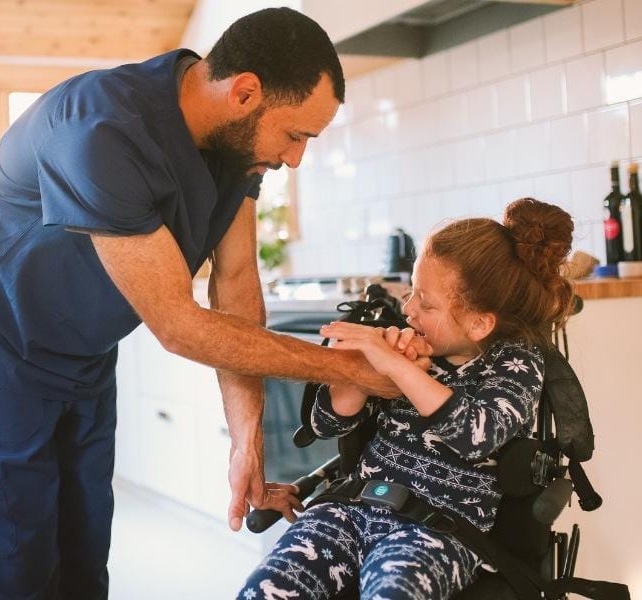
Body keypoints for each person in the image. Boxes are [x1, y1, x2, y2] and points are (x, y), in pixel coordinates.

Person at [0, 7, 431, 599]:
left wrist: (248, 441)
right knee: (25, 565)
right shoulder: (102, 129)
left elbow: (236, 284)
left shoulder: (234, 146)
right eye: (296, 135)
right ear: (245, 92)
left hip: (84, 350)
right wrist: (351, 370)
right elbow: (179, 325)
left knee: (86, 555)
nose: (296, 158)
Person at [238, 198, 575, 600]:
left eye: (426, 303)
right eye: (412, 291)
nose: (408, 309)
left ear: (479, 322)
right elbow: (328, 426)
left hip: (436, 531)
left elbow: (477, 436)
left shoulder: (515, 364)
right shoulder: (406, 344)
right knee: (268, 589)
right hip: (349, 508)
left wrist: (399, 370)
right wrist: (359, 373)